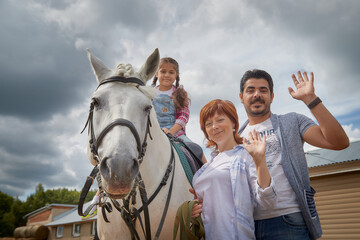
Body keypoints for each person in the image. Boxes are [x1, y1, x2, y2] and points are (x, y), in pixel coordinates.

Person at [238, 69, 349, 240]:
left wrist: (310, 99)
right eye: (250, 90)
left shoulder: (292, 121)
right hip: (246, 225)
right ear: (241, 97)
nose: (257, 95)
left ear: (272, 96)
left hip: (287, 220)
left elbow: (338, 142)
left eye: (263, 90)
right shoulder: (236, 138)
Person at [190, 99, 277, 240]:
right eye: (208, 124)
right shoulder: (203, 170)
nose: (214, 126)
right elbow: (203, 207)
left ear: (234, 123)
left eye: (219, 120)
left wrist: (260, 161)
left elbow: (269, 202)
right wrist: (194, 210)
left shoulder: (246, 155)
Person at [151, 57, 192, 143]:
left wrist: (171, 131)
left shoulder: (179, 93)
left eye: (171, 72)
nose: (167, 75)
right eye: (163, 71)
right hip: (152, 132)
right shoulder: (150, 93)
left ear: (176, 74)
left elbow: (184, 115)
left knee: (195, 149)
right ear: (156, 73)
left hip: (176, 133)